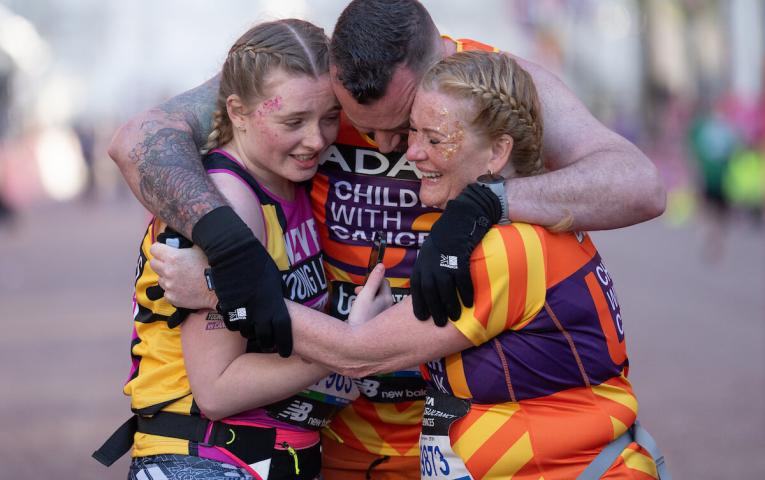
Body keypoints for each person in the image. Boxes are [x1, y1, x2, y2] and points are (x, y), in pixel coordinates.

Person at [109, 1, 666, 477]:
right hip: (337, 433)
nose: (393, 146)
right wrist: (231, 251)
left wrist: (488, 203)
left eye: (407, 128)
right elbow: (140, 139)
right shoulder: (319, 78)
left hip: (457, 427)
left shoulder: (487, 82)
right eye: (354, 122)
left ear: (438, 68)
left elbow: (638, 184)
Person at [93, 19, 360, 480]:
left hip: (262, 457)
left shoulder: (287, 178)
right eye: (293, 121)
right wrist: (348, 350)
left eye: (330, 116)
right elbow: (217, 388)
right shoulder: (231, 196)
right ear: (237, 110)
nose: (317, 139)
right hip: (205, 460)